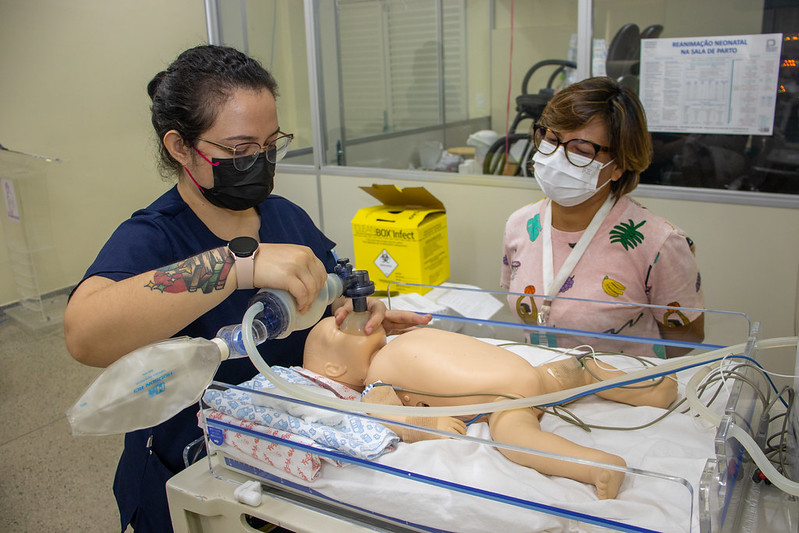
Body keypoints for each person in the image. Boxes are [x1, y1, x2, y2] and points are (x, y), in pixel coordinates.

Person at [63, 45, 427, 533]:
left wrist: (355, 311)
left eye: (270, 143)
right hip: (200, 476)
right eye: (238, 150)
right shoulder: (154, 236)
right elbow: (85, 335)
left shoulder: (284, 216)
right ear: (180, 147)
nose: (259, 160)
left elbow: (327, 295)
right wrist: (236, 265)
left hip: (292, 465)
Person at [302, 316, 678, 500]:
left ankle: (606, 451)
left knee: (517, 435)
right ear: (335, 370)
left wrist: (427, 419)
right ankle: (611, 443)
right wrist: (426, 422)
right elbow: (387, 414)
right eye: (337, 328)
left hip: (511, 393)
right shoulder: (375, 383)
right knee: (568, 379)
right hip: (524, 382)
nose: (346, 317)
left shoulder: (396, 344)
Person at [501, 77, 705, 359]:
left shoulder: (660, 244)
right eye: (550, 139)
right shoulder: (520, 225)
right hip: (543, 388)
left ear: (618, 166)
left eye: (582, 150)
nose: (557, 158)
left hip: (623, 394)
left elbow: (685, 338)